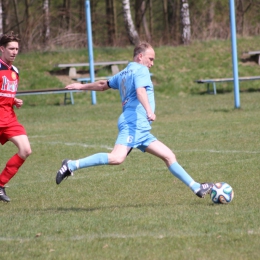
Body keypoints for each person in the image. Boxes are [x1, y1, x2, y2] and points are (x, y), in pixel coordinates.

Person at [56, 42, 213, 198]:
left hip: (140, 126)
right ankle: (71, 165)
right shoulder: (141, 70)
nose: (152, 64)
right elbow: (140, 91)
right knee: (117, 158)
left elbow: (103, 84)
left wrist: (81, 86)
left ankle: (197, 187)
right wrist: (149, 111)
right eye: (151, 59)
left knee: (169, 156)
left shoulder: (124, 73)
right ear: (140, 56)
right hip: (134, 122)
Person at [0, 32, 32, 202]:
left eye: (17, 49)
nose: (14, 52)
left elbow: (5, 93)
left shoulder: (15, 71)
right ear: (2, 49)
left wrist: (13, 100)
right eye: (11, 48)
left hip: (9, 118)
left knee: (26, 150)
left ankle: (0, 185)